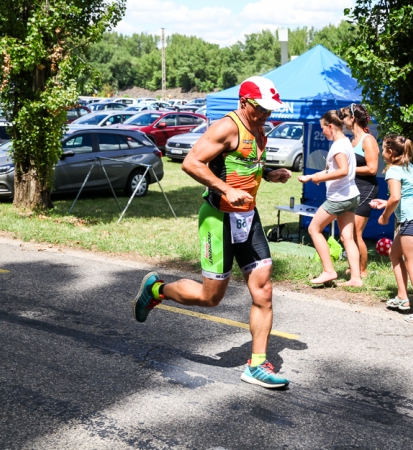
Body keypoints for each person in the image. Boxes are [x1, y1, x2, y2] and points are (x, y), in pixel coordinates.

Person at [132, 76, 293, 388]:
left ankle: (257, 364)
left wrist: (268, 174)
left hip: (248, 217)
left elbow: (242, 164)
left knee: (264, 290)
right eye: (261, 109)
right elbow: (192, 163)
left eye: (270, 110)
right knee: (210, 298)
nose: (266, 115)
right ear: (244, 102)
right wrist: (224, 189)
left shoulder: (259, 127)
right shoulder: (226, 127)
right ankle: (156, 290)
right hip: (218, 218)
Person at [369, 135, 413, 324]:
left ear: (390, 153)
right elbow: (405, 195)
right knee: (394, 253)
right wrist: (385, 203)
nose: (381, 153)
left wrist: (385, 216)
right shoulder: (408, 167)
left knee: (412, 265)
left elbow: (396, 197)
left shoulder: (393, 171)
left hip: (412, 219)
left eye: (383, 149)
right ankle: (402, 298)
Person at [298, 110, 362, 287]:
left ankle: (328, 271)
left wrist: (320, 178)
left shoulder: (338, 146)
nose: (322, 131)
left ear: (330, 126)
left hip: (339, 198)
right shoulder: (345, 142)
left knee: (314, 229)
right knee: (347, 237)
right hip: (351, 195)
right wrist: (311, 177)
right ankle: (356, 278)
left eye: (323, 127)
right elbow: (333, 169)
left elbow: (343, 170)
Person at [341, 103, 379, 277]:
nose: (343, 120)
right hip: (352, 188)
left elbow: (372, 169)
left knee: (356, 233)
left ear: (353, 118)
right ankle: (353, 267)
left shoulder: (368, 140)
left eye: (345, 117)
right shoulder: (351, 140)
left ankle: (363, 271)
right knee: (347, 233)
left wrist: (349, 169)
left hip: (366, 189)